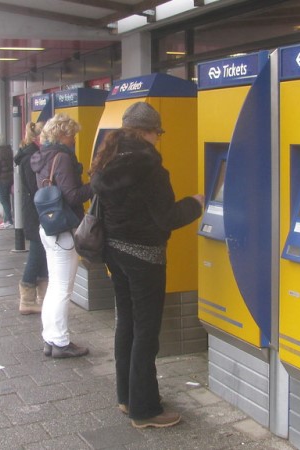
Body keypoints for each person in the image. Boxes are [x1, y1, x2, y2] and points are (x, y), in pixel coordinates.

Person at [89, 102, 204, 429]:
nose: (159, 139)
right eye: (159, 133)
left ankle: (126, 397)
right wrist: (196, 204)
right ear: (148, 131)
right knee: (146, 332)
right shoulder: (150, 167)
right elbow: (167, 217)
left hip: (115, 253)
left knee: (126, 323)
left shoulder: (107, 158)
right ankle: (146, 409)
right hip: (144, 257)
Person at [30, 113, 93, 358]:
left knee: (55, 285)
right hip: (64, 231)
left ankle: (50, 337)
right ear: (62, 134)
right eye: (72, 134)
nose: (75, 139)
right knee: (62, 288)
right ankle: (60, 342)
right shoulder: (63, 158)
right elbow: (73, 195)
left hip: (48, 227)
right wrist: (96, 183)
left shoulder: (41, 156)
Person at [13, 122, 48, 314]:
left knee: (41, 251)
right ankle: (26, 300)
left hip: (33, 209)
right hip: (35, 211)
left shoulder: (28, 154)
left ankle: (42, 297)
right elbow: (34, 187)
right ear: (37, 137)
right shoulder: (31, 157)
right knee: (36, 251)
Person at [0, 133, 14, 229]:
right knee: (8, 200)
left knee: (4, 200)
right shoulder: (9, 151)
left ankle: (8, 220)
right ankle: (7, 219)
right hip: (10, 178)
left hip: (2, 179)